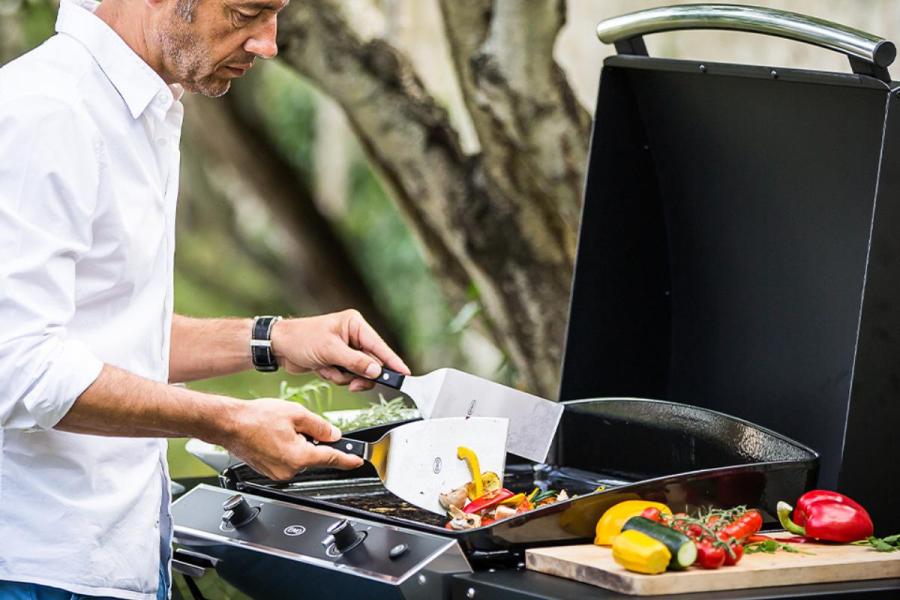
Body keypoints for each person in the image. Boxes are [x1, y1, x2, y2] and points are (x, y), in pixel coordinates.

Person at [0, 0, 411, 598]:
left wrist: (274, 339)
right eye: (246, 12)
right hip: (36, 569)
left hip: (113, 557)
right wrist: (228, 421)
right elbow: (18, 366)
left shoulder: (141, 105)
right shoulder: (45, 111)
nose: (268, 44)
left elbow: (105, 336)